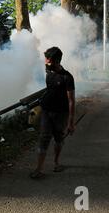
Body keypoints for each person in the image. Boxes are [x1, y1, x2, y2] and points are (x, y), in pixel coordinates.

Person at [30, 47, 76, 179]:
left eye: (49, 62)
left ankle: (56, 163)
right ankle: (38, 169)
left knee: (58, 139)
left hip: (61, 114)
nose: (46, 64)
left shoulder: (67, 77)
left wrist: (71, 123)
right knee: (44, 139)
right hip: (46, 111)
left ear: (57, 61)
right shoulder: (48, 73)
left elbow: (71, 101)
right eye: (45, 61)